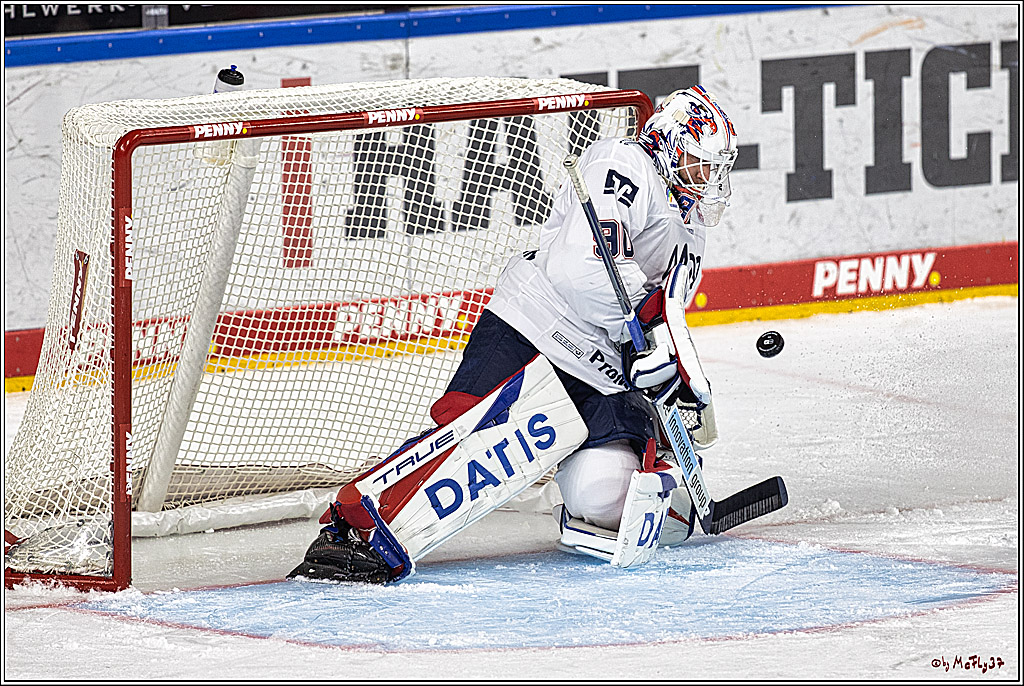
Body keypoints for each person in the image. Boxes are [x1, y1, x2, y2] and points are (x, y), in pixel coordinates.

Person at [288, 85, 739, 584]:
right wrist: (635, 338)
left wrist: (675, 369)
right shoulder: (624, 164)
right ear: (670, 144)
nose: (712, 179)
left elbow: (664, 308)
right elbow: (581, 270)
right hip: (536, 326)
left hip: (601, 364)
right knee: (465, 440)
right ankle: (352, 530)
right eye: (702, 164)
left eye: (717, 167)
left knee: (610, 498)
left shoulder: (691, 223)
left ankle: (598, 480)